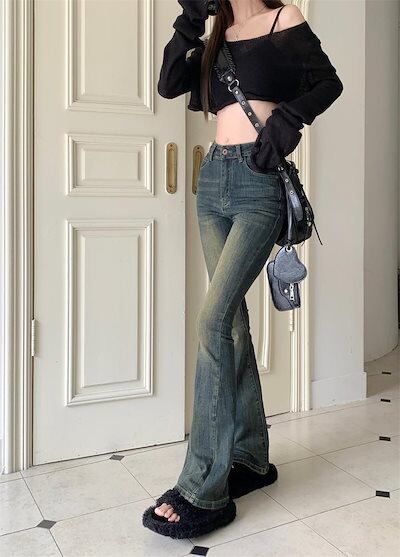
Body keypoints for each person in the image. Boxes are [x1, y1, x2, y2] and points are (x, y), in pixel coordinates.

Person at [143, 0, 343, 539]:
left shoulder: (284, 19)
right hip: (212, 182)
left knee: (212, 322)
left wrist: (287, 121)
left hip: (258, 184)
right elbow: (168, 83)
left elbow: (329, 82)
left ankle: (202, 488)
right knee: (229, 323)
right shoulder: (215, 34)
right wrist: (191, 19)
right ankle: (251, 458)